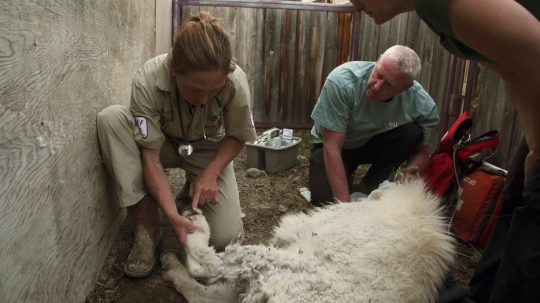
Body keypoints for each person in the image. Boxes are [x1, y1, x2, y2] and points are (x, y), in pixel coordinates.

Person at [349, 0, 540, 301]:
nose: (355, 6)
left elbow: (536, 56)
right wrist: (533, 144)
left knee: (534, 230)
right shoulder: (436, 14)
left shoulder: (436, 2)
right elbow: (511, 71)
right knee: (516, 197)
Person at [96, 12, 256, 278]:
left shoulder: (235, 80)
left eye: (213, 91)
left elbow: (239, 135)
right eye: (195, 90)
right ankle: (147, 224)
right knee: (111, 119)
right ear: (174, 72)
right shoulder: (147, 79)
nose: (204, 100)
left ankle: (189, 195)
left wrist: (212, 172)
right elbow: (151, 158)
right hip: (162, 145)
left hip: (206, 149)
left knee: (224, 237)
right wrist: (169, 215)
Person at [308, 45, 439, 206]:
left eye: (389, 84)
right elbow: (332, 146)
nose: (376, 87)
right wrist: (345, 208)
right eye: (378, 74)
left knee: (412, 132)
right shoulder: (342, 81)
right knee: (323, 202)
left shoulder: (423, 105)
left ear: (406, 88)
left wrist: (414, 167)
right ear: (377, 61)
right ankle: (346, 176)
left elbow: (422, 152)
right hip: (335, 146)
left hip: (372, 142)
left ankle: (369, 184)